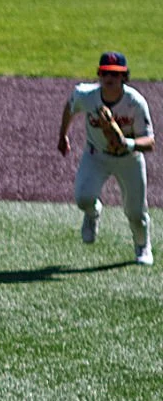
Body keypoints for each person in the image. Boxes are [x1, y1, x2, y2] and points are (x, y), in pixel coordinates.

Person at [59, 52, 154, 266]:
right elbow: (70, 106)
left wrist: (127, 143)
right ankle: (93, 213)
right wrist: (63, 135)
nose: (109, 78)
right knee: (83, 197)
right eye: (105, 73)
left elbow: (150, 142)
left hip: (129, 159)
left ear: (124, 77)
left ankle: (142, 245)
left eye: (115, 74)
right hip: (97, 156)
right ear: (99, 75)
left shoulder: (135, 102)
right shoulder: (86, 95)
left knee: (136, 212)